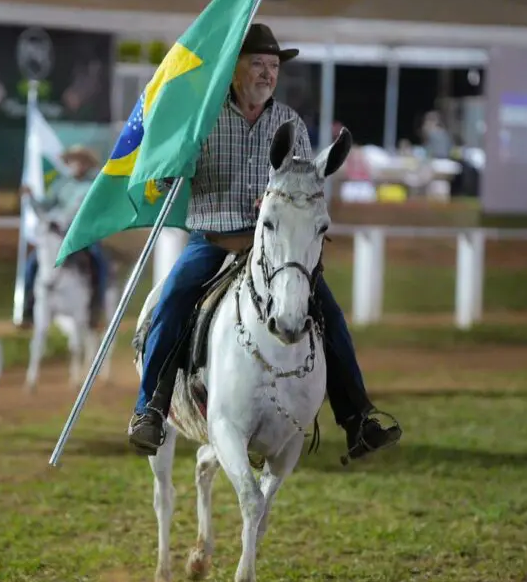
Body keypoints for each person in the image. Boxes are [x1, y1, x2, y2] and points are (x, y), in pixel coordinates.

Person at [128, 23, 402, 460]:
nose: (267, 73)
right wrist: (165, 171)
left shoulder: (289, 123)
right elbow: (161, 179)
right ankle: (151, 409)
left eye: (273, 66)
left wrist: (285, 203)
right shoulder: (204, 119)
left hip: (274, 249)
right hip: (215, 239)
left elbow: (306, 187)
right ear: (234, 69)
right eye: (257, 63)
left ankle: (358, 419)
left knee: (329, 314)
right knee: (175, 299)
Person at [19, 144, 109, 329]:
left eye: (82, 161)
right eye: (74, 161)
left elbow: (85, 211)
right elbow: (46, 206)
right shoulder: (61, 183)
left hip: (81, 236)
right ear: (69, 163)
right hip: (55, 235)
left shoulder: (92, 185)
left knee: (99, 262)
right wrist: (31, 198)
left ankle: (95, 309)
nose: (77, 165)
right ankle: (28, 309)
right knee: (32, 264)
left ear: (87, 164)